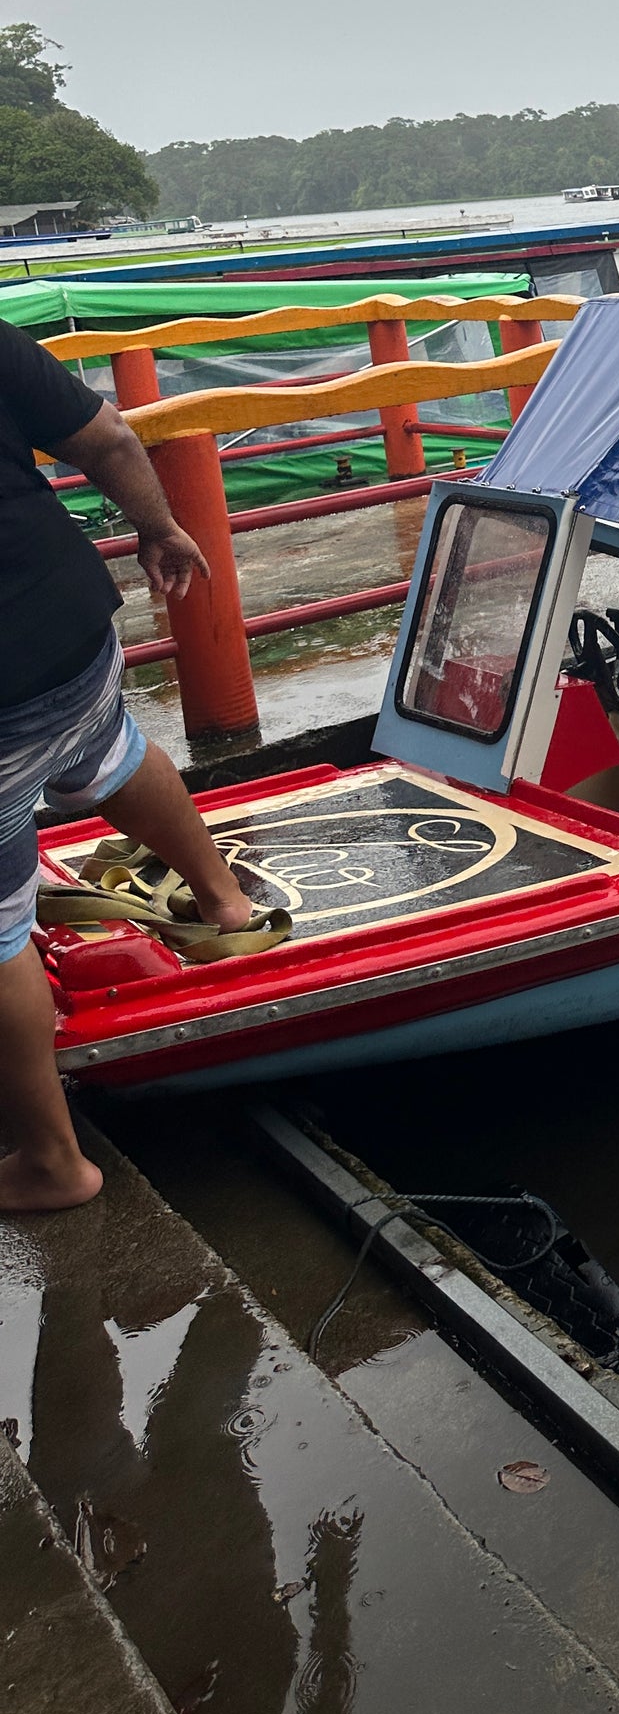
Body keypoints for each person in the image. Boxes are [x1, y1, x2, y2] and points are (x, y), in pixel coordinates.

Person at [0, 321, 264, 1212]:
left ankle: (51, 1163)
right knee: (104, 751)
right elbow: (109, 437)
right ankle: (225, 903)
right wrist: (159, 528)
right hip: (68, 627)